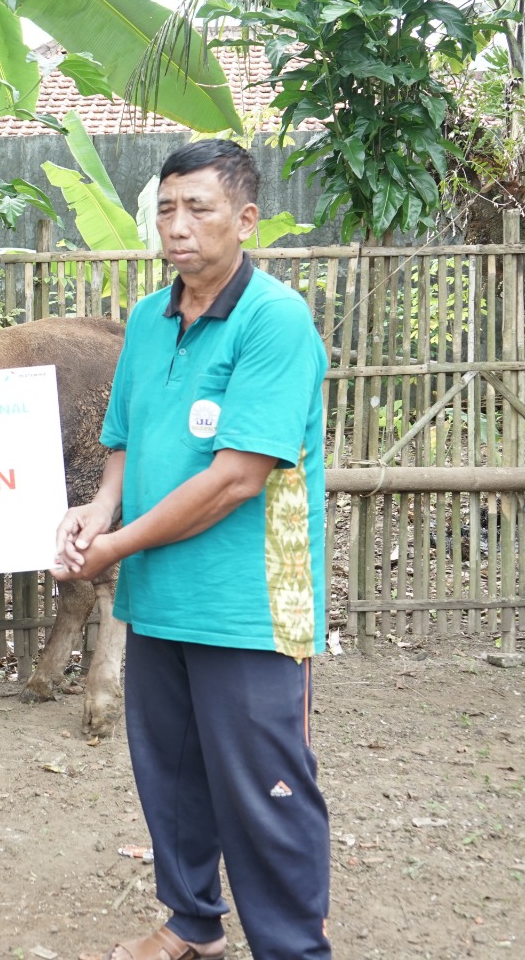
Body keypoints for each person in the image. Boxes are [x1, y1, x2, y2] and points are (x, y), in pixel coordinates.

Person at [52, 140, 331, 960]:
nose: (178, 226)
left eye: (198, 208)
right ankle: (191, 923)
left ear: (245, 220)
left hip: (247, 600)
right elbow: (124, 438)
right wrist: (98, 509)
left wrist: (113, 547)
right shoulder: (148, 317)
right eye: (166, 209)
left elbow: (235, 479)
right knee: (170, 776)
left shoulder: (275, 320)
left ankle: (292, 948)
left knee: (264, 790)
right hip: (159, 593)